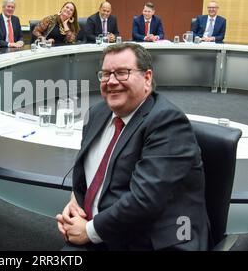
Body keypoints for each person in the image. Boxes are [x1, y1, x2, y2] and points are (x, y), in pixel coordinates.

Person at [56, 43, 209, 251]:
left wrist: (89, 231)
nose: (111, 81)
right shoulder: (97, 113)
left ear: (147, 78)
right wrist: (75, 201)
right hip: (107, 228)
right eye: (105, 73)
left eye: (122, 73)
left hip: (152, 240)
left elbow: (144, 201)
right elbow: (87, 171)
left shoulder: (167, 122)